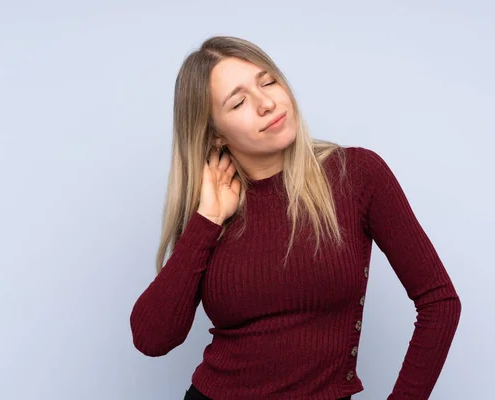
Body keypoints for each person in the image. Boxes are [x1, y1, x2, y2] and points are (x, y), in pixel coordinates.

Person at [129, 36, 462, 400]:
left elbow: (439, 302)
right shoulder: (212, 208)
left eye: (268, 81)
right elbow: (151, 338)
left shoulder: (357, 175)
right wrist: (207, 220)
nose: (267, 103)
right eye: (239, 101)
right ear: (214, 136)